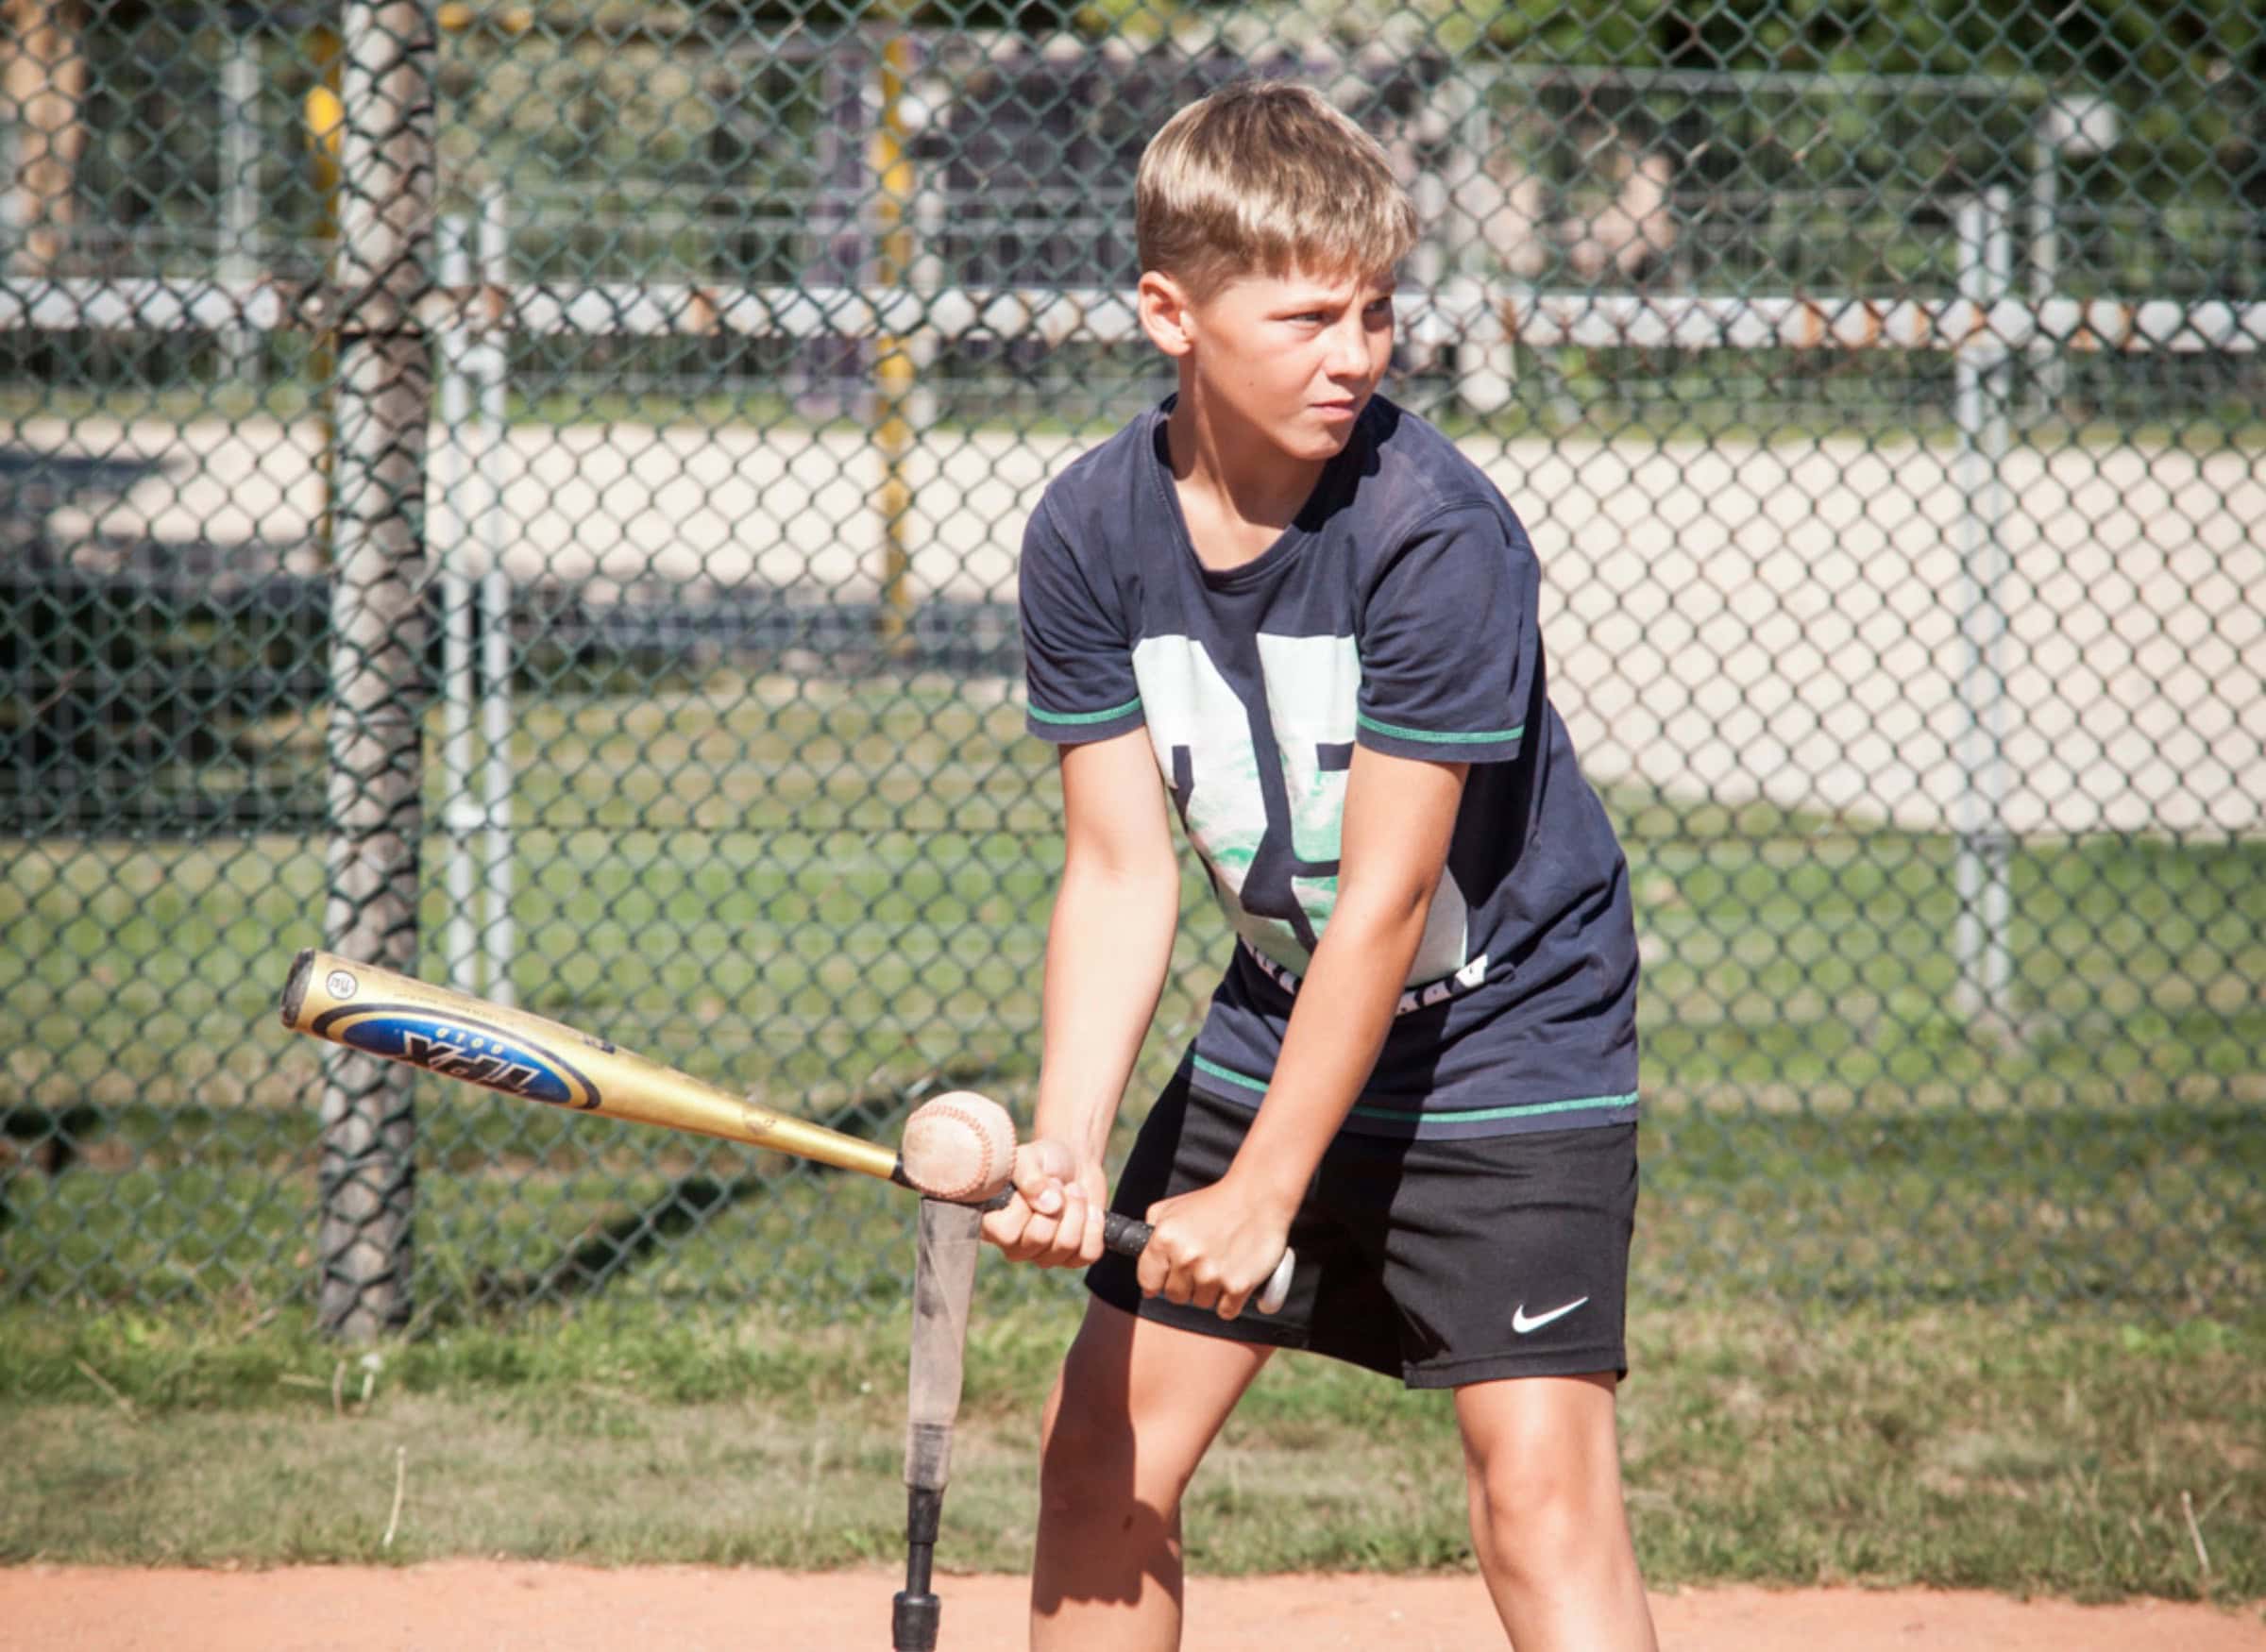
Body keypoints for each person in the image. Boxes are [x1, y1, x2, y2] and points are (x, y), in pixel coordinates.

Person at [982, 79, 1659, 1652]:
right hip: (1280, 1011)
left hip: (1507, 1031)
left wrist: (1263, 1191)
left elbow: (1388, 901)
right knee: (1101, 1451)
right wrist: (1070, 1142)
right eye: (1304, 318)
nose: (1354, 354)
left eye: (1376, 311)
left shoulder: (1437, 535)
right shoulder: (1089, 530)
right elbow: (1119, 870)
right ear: (1172, 312)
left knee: (1537, 1490)